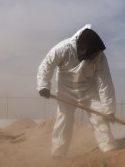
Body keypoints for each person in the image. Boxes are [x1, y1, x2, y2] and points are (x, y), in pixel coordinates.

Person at [37, 24, 118, 157]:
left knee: (99, 117)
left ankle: (109, 149)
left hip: (89, 92)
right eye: (93, 55)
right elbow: (46, 65)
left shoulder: (100, 56)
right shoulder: (63, 49)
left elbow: (105, 84)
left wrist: (109, 110)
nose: (96, 56)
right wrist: (43, 85)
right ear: (82, 51)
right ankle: (58, 154)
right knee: (64, 119)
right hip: (66, 91)